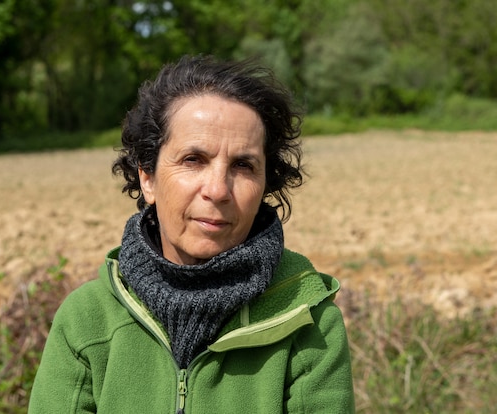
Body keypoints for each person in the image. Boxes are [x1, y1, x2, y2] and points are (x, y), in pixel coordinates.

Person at [28, 55, 355, 413]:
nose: (217, 190)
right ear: (147, 177)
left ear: (265, 184)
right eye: (193, 160)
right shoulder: (86, 319)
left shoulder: (308, 319)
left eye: (243, 166)